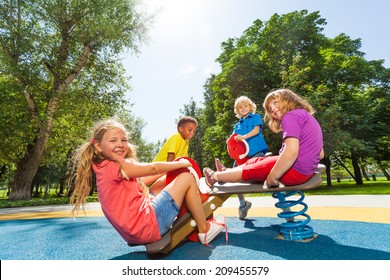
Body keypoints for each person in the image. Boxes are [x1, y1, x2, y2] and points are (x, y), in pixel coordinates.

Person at [70, 119, 226, 246]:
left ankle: (189, 208)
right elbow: (152, 168)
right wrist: (181, 164)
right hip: (149, 226)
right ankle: (204, 230)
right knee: (186, 177)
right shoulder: (116, 165)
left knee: (165, 179)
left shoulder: (103, 166)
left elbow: (142, 180)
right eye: (113, 140)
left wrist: (168, 172)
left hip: (135, 233)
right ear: (98, 146)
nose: (120, 144)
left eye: (124, 140)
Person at [204, 89, 324, 195]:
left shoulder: (290, 117)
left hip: (294, 171)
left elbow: (291, 151)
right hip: (304, 171)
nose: (273, 109)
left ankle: (214, 176)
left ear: (289, 99)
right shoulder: (307, 117)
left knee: (251, 169)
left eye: (276, 102)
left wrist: (274, 176)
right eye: (270, 109)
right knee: (255, 161)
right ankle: (227, 172)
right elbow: (320, 153)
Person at [216, 96, 268, 220]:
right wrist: (230, 141)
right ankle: (243, 204)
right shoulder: (237, 125)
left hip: (256, 152)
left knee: (267, 177)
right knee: (234, 179)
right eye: (240, 107)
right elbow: (233, 139)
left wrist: (244, 137)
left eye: (245, 106)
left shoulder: (255, 117)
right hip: (241, 156)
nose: (243, 108)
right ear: (237, 110)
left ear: (250, 107)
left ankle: (285, 207)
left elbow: (256, 131)